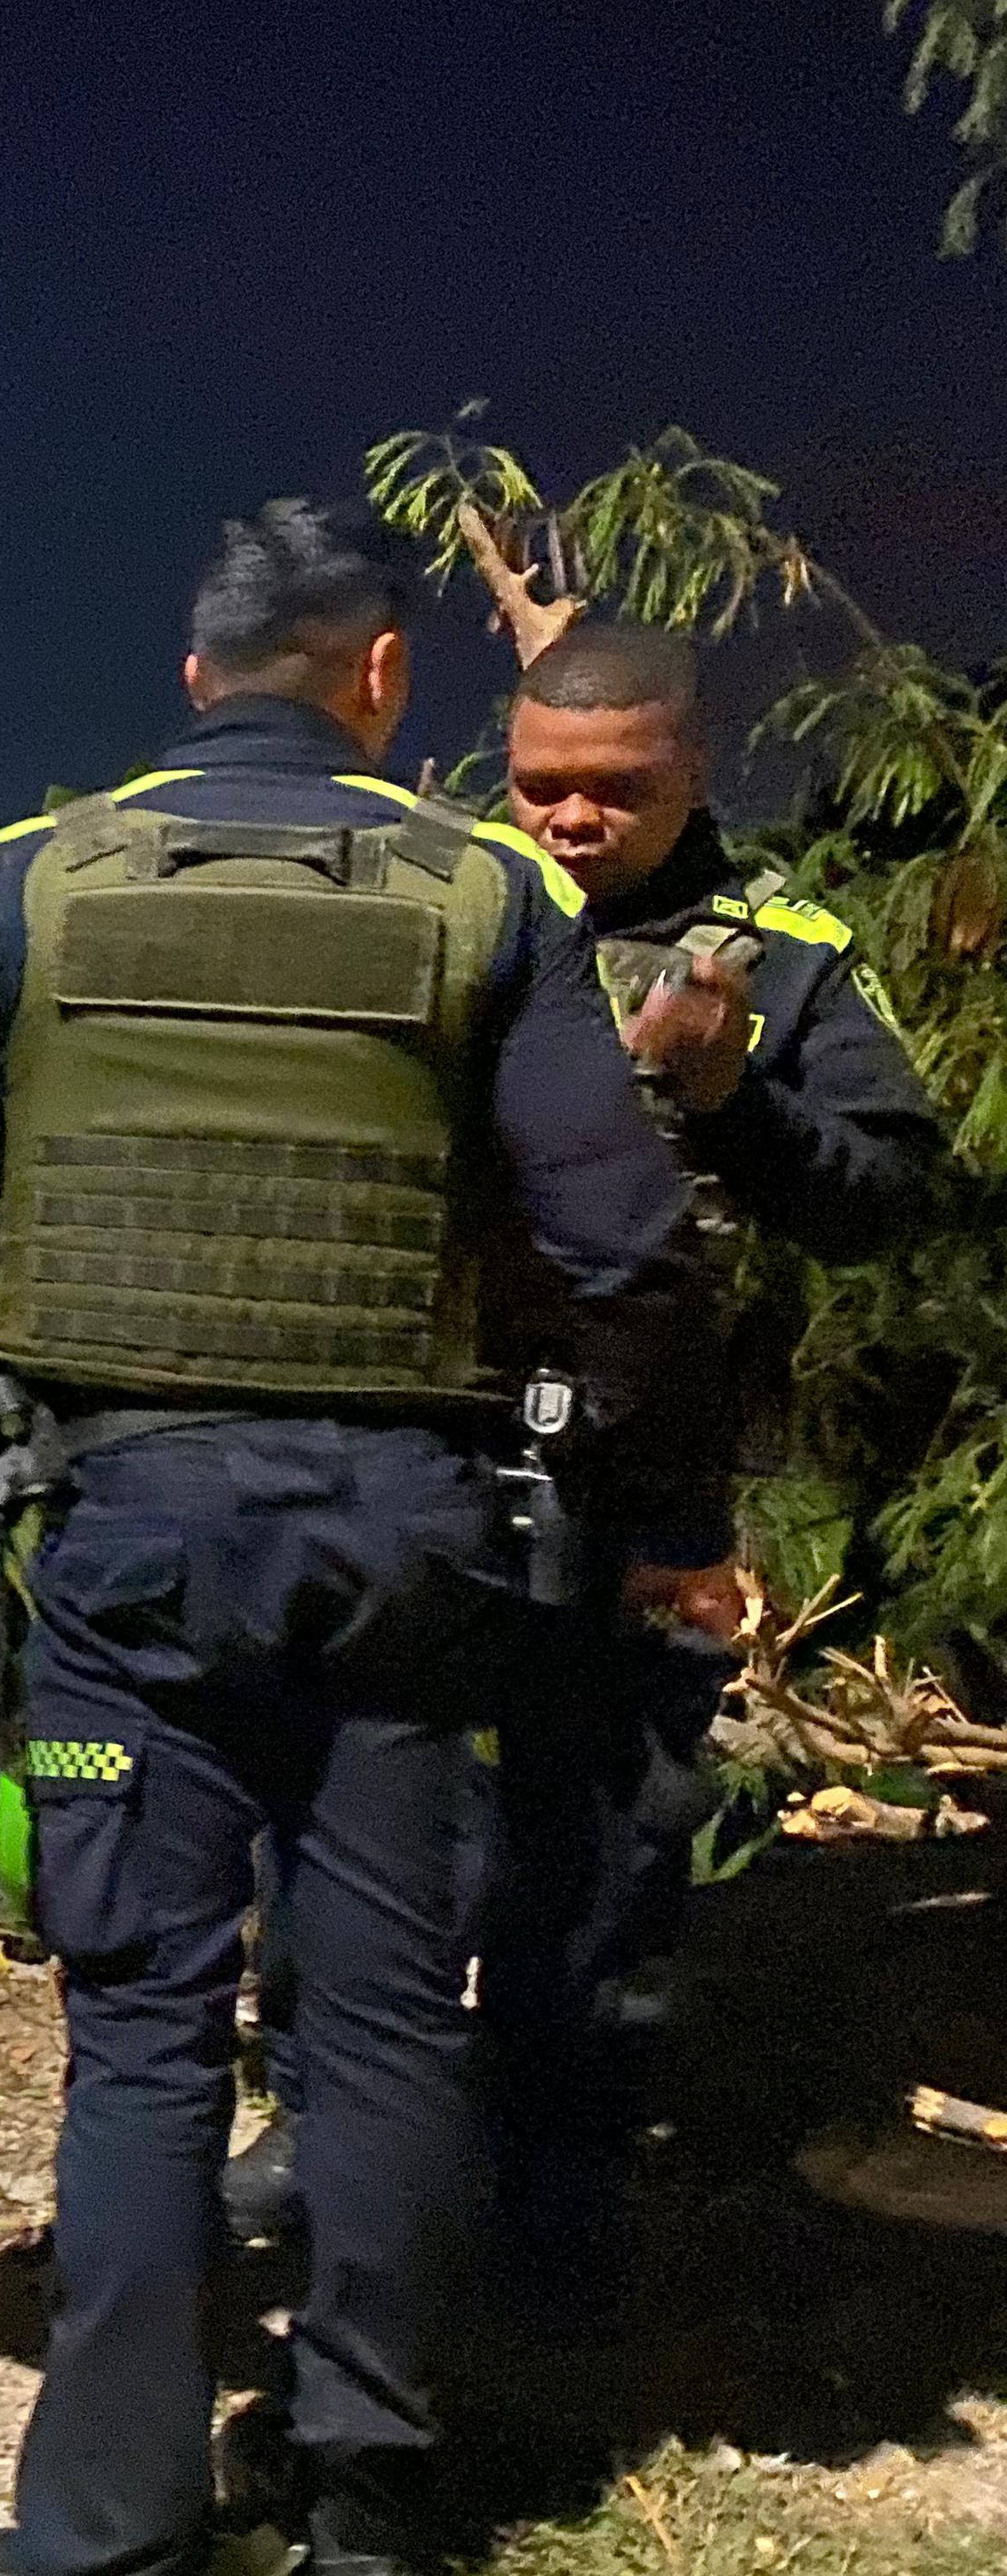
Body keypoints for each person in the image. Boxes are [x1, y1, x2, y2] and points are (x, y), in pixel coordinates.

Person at [0, 500, 727, 2576]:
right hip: (410, 1551)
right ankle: (376, 2532)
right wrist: (643, 1508)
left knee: (147, 2042)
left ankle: (108, 2565)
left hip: (132, 1543)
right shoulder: (485, 892)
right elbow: (631, 1251)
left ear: (192, 678)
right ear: (384, 675)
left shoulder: (22, 879)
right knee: (389, 2034)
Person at [224, 612, 947, 2251]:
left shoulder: (789, 947)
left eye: (614, 789)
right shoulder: (443, 898)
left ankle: (555, 2184)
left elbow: (886, 1201)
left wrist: (731, 1096)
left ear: (693, 765)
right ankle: (324, 2129)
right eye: (539, 783)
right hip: (418, 1446)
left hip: (647, 1476)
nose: (567, 819)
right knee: (351, 1809)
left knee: (604, 1843)